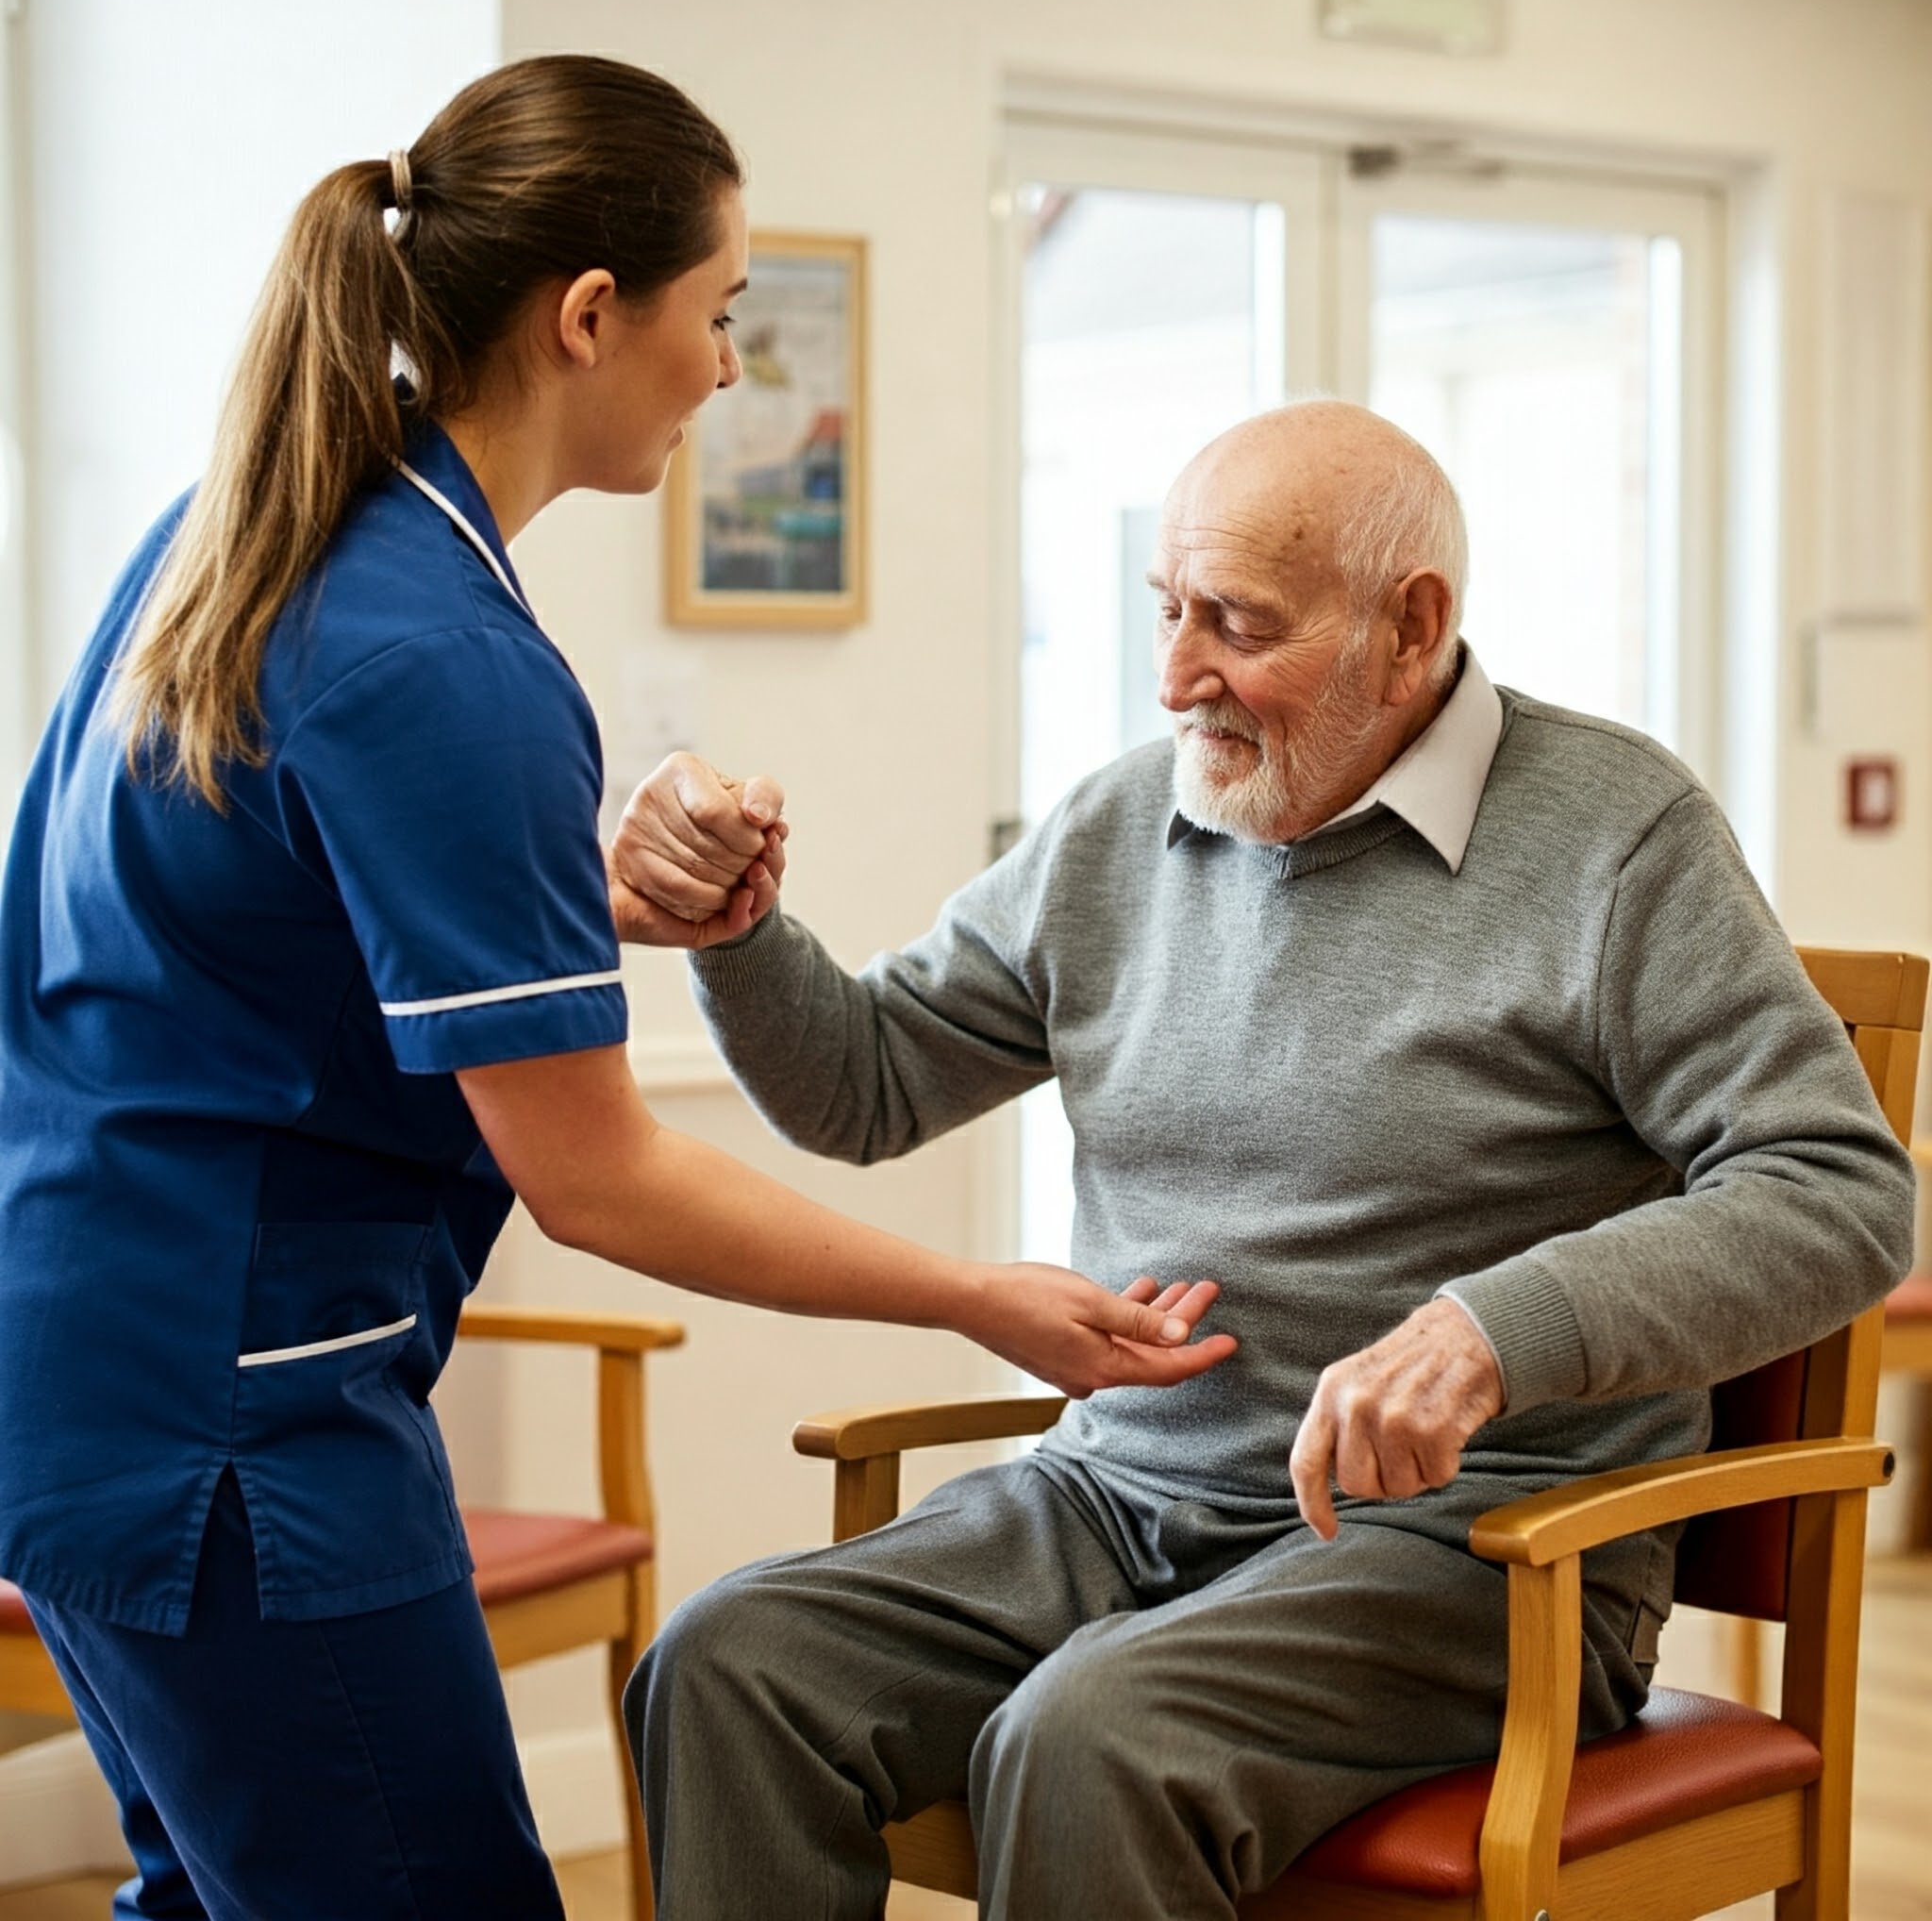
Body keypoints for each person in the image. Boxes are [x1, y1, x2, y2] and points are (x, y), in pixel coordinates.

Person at [0, 56, 1233, 1921]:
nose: (734, 367)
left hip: (79, 1366)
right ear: (592, 316)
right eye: (719, 312)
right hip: (241, 1428)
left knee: (227, 1890)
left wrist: (580, 905)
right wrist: (983, 1295)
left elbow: (247, 920)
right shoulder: (437, 650)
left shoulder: (241, 534)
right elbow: (603, 1176)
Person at [617, 399, 1916, 1920]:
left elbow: (1838, 1189)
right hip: (1118, 1501)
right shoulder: (1120, 825)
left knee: (1094, 1739)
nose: (1177, 675)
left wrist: (1489, 1332)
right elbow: (864, 1085)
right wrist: (740, 934)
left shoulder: (1617, 841)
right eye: (1168, 611)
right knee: (725, 1667)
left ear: (1413, 624)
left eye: (1237, 623)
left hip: (1478, 1549)